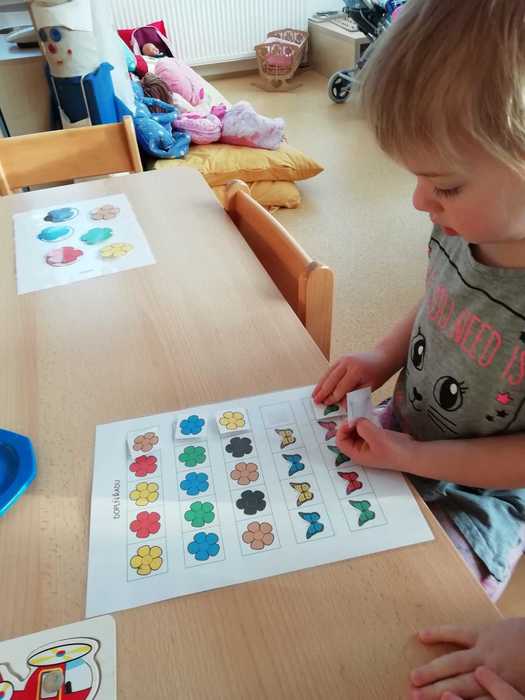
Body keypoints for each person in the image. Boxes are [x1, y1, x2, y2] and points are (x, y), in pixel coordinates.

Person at [313, 0, 525, 693]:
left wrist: (416, 458)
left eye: (444, 184)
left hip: (481, 494)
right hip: (404, 428)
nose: (418, 203)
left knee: (394, 626)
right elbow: (441, 296)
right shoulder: (466, 223)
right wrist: (382, 355)